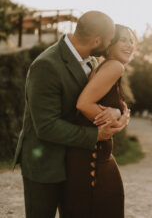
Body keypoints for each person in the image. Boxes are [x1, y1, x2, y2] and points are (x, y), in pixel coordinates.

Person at [13, 11, 130, 218]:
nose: (112, 43)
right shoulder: (46, 65)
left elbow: (97, 98)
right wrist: (96, 135)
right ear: (97, 40)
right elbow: (46, 126)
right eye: (111, 39)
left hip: (76, 161)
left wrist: (116, 111)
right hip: (45, 163)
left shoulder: (93, 61)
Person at [64, 24, 137, 218]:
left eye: (131, 40)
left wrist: (118, 113)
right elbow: (83, 104)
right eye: (123, 39)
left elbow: (101, 102)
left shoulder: (105, 66)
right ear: (109, 44)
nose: (129, 44)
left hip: (95, 157)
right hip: (92, 162)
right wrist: (117, 122)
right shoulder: (114, 66)